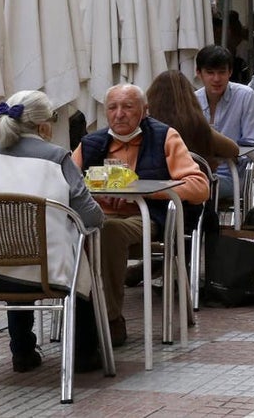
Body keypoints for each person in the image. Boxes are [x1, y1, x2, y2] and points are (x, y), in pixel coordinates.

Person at [0, 90, 106, 374]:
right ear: (44, 125)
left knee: (14, 252)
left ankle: (22, 350)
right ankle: (85, 353)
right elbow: (90, 216)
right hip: (50, 272)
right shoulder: (58, 158)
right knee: (78, 260)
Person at [71, 84, 208, 347]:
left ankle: (110, 321)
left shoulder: (165, 137)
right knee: (77, 231)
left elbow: (200, 187)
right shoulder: (91, 144)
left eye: (128, 107)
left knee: (107, 231)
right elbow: (68, 183)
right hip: (98, 217)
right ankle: (80, 322)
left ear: (144, 111)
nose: (119, 114)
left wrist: (144, 191)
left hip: (146, 218)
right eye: (113, 107)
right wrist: (97, 194)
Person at [194, 46, 254, 200]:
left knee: (195, 189)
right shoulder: (193, 100)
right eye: (210, 73)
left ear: (230, 72)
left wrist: (229, 155)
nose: (216, 79)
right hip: (198, 174)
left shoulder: (245, 96)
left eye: (222, 72)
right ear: (199, 73)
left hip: (234, 176)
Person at [146, 70, 238, 176]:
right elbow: (234, 149)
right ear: (189, 96)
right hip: (196, 186)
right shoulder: (197, 125)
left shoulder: (147, 128)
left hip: (157, 188)